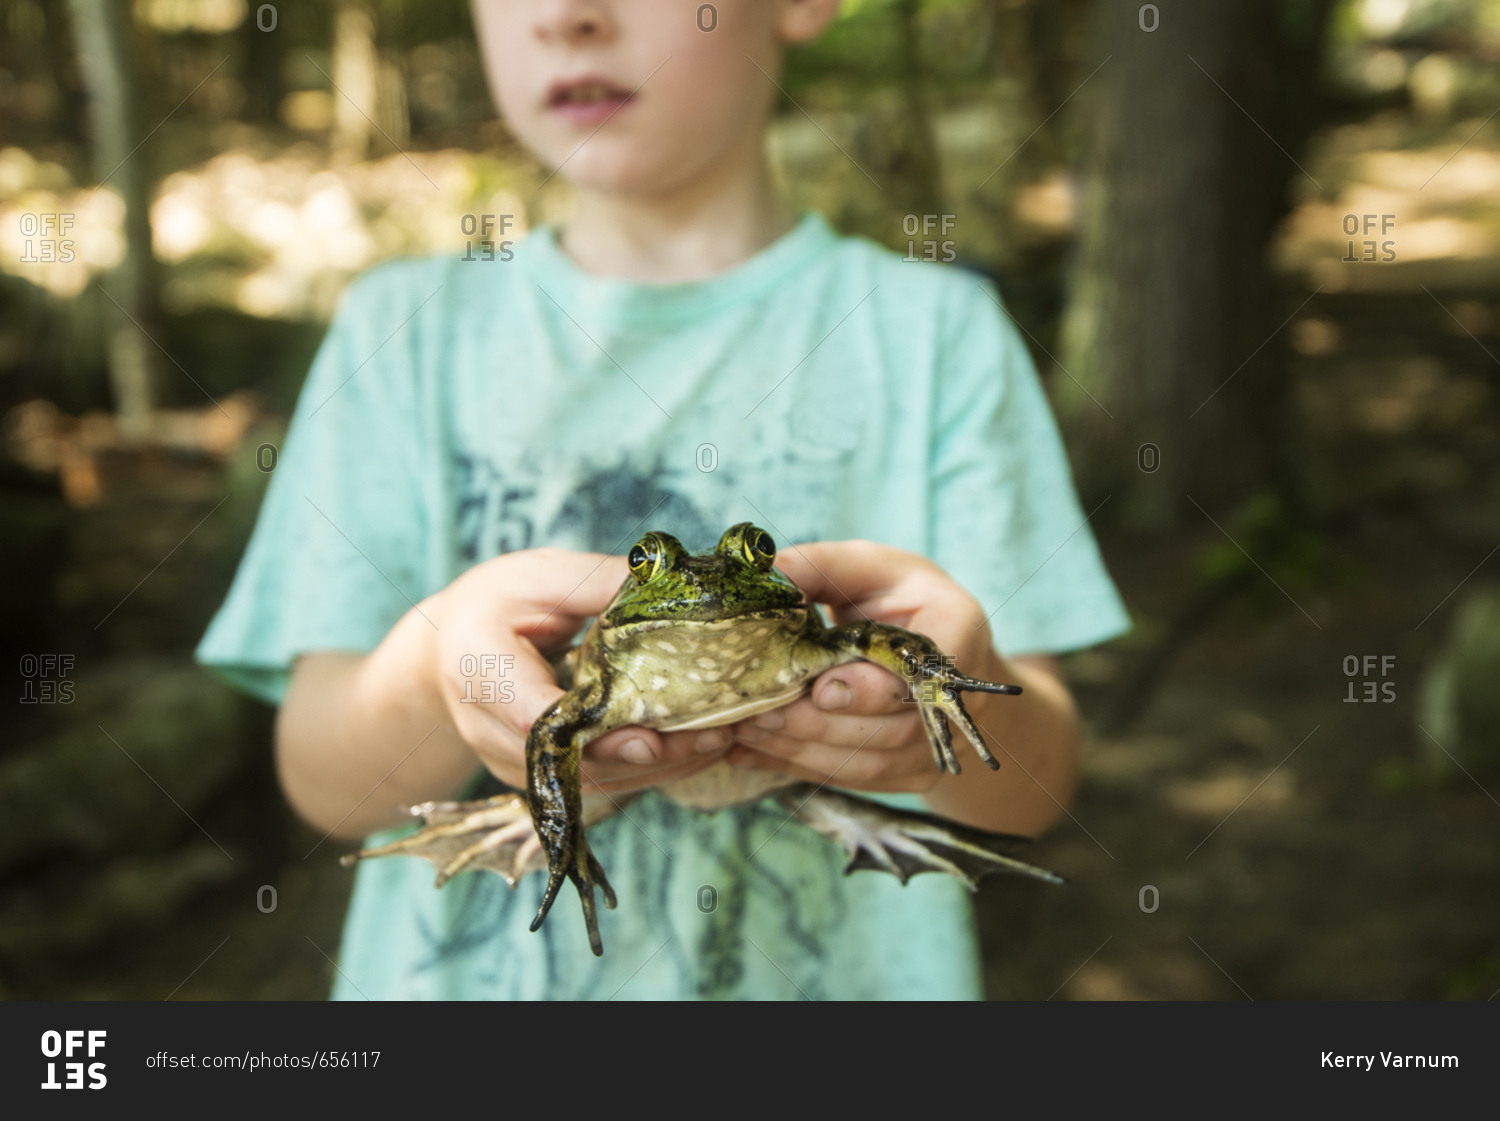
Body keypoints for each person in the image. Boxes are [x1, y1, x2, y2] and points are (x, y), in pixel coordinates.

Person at [197, 0, 1130, 999]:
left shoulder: (939, 332)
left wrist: (947, 687)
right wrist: (439, 671)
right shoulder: (403, 329)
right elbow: (325, 783)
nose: (565, 16)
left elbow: (1033, 785)